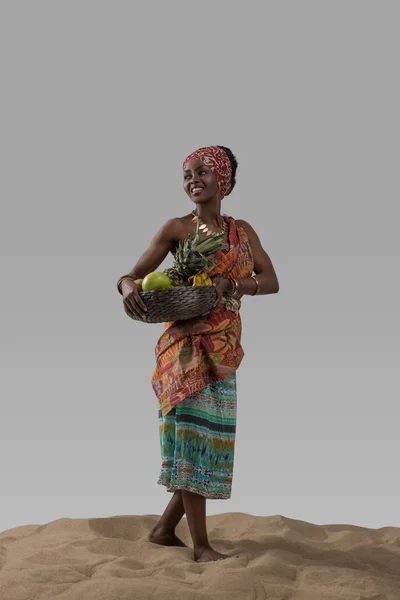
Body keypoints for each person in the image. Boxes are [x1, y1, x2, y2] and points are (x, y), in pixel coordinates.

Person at [116, 145, 279, 563]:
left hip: (224, 348)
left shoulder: (242, 231)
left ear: (222, 180)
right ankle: (202, 546)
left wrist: (236, 285)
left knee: (209, 440)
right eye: (187, 173)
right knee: (190, 437)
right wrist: (129, 287)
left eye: (203, 171)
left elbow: (271, 279)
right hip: (184, 347)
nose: (193, 179)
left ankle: (163, 529)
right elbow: (130, 275)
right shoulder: (176, 228)